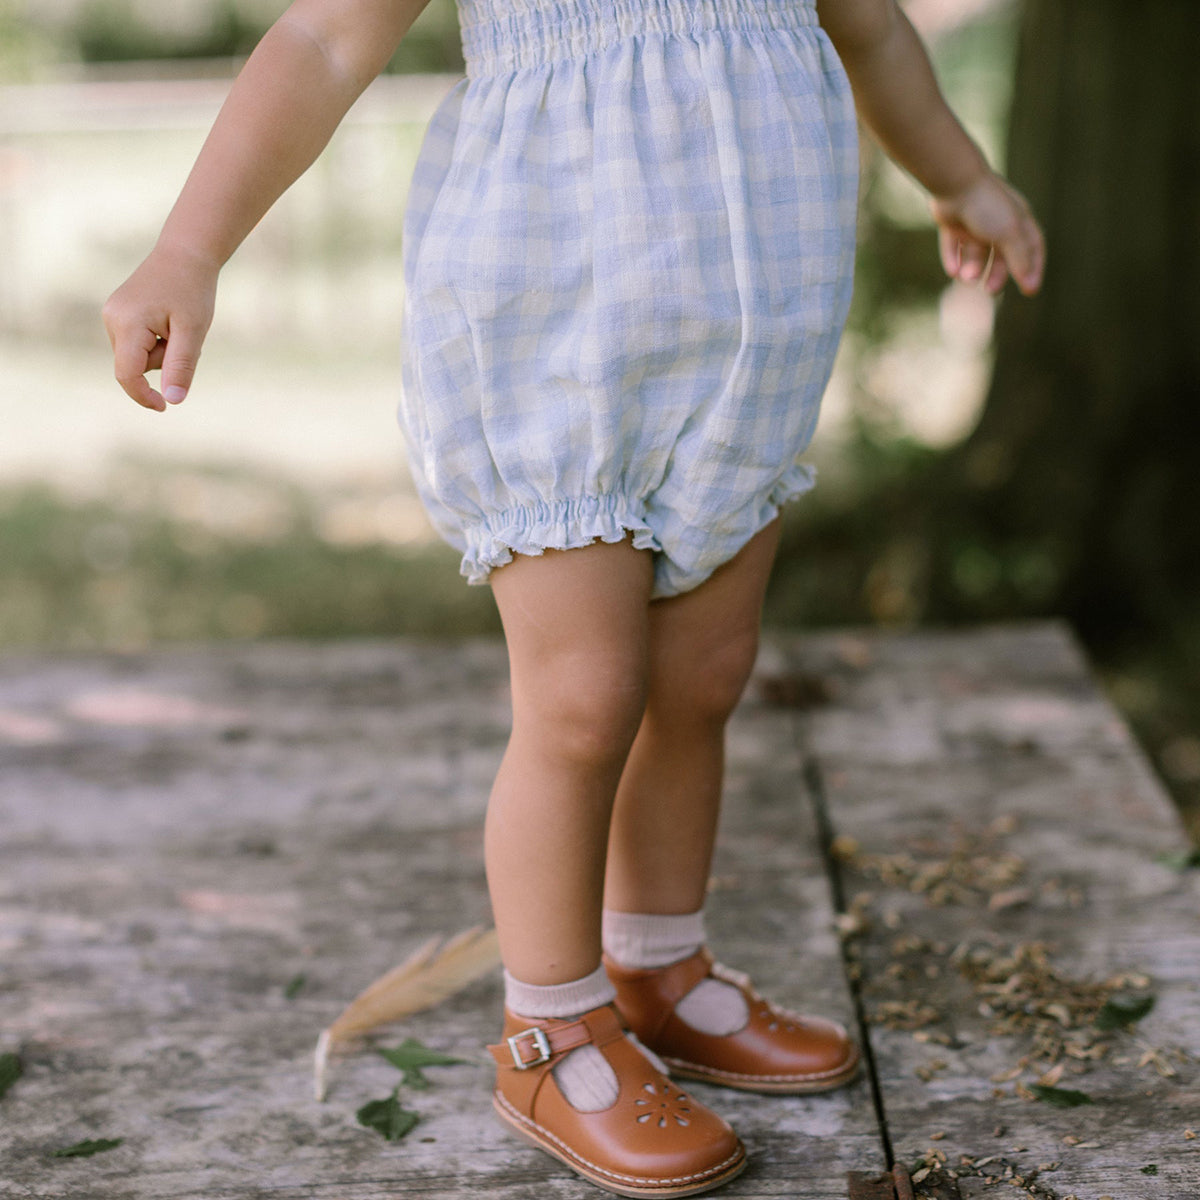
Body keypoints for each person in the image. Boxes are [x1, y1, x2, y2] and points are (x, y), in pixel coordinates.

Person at [103, 0, 1045, 1194]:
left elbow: (877, 34)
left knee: (702, 681)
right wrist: (190, 247)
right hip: (552, 329)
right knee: (586, 698)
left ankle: (658, 964)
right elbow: (325, 40)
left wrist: (963, 179)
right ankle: (550, 1031)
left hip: (747, 341)